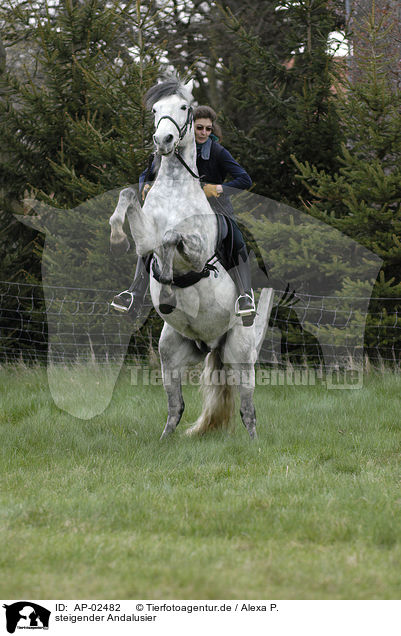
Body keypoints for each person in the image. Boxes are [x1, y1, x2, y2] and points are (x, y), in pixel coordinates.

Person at [112, 105, 256, 319]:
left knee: (236, 238)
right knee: (152, 237)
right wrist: (145, 186)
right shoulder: (172, 150)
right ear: (189, 127)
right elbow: (146, 173)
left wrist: (218, 189)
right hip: (175, 210)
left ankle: (245, 295)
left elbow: (245, 179)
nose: (204, 133)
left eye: (208, 129)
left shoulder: (216, 151)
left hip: (214, 210)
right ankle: (134, 293)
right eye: (199, 128)